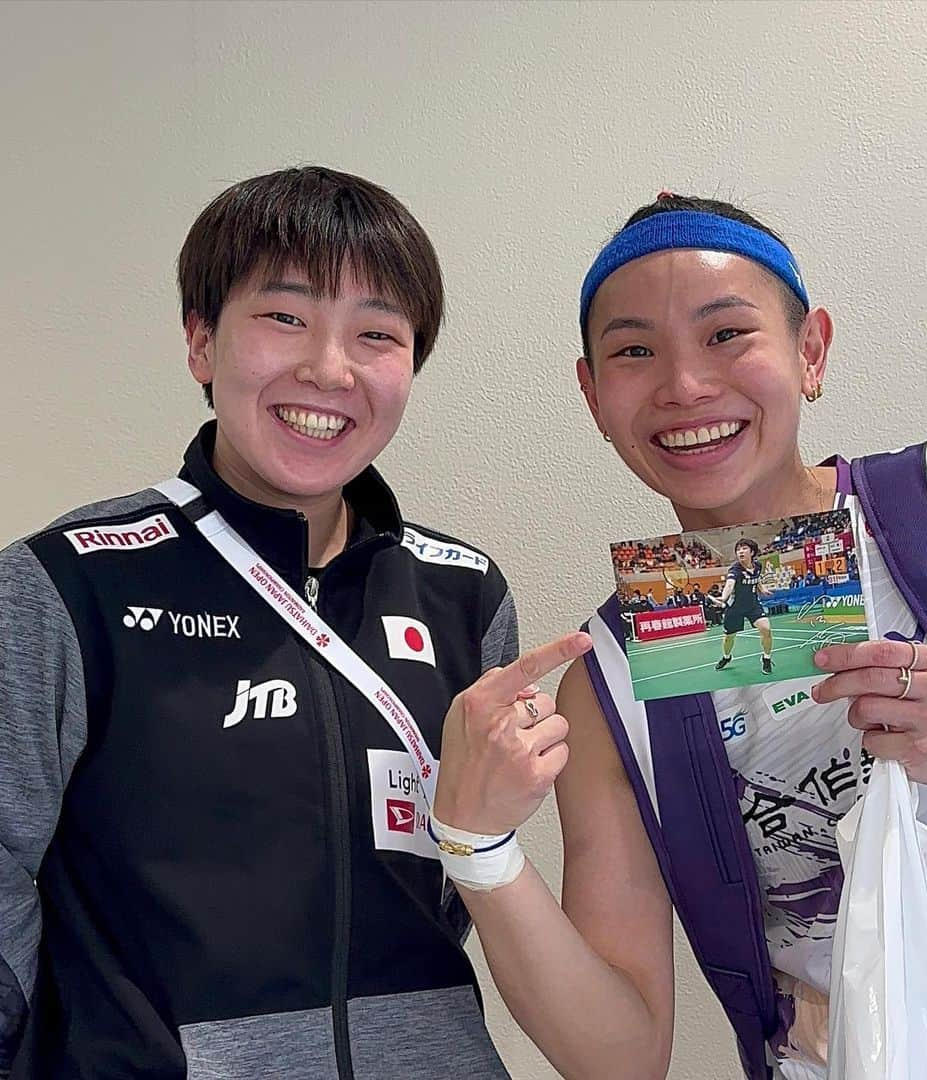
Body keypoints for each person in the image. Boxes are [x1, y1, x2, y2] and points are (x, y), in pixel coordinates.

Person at [431, 193, 927, 1080]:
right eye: (632, 352)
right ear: (591, 394)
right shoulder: (613, 676)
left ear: (810, 350)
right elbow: (619, 1058)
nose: (686, 386)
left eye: (727, 334)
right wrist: (476, 845)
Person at [0, 166, 588, 1079]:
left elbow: (454, 882)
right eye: (285, 317)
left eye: (377, 333)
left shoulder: (465, 596)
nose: (329, 368)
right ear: (201, 342)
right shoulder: (65, 582)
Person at [714, 537, 775, 674]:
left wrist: (762, 589)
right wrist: (724, 597)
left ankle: (766, 658)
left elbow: (756, 577)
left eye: (744, 548)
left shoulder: (758, 565)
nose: (740, 552)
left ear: (752, 552)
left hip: (752, 605)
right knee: (730, 636)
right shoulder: (735, 569)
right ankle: (726, 657)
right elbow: (730, 584)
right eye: (738, 550)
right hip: (735, 608)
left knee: (766, 629)